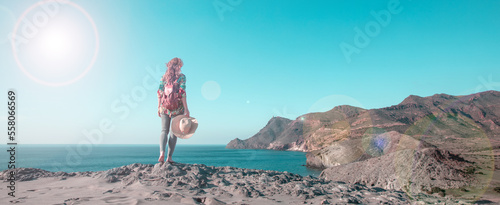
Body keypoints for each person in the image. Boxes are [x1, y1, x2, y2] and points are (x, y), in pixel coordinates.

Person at [157, 57, 189, 163]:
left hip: (164, 107)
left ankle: (161, 153)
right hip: (177, 108)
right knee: (174, 133)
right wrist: (186, 109)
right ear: (179, 66)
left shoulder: (163, 77)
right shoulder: (182, 77)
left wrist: (158, 107)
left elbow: (159, 92)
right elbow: (182, 92)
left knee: (163, 131)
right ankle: (169, 157)